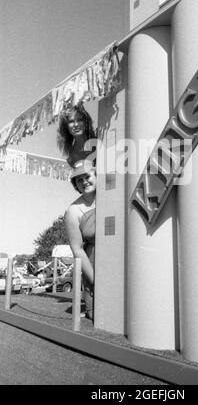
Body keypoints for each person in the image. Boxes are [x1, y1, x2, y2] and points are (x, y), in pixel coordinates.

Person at [65, 160, 96, 321]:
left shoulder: (113, 196)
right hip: (93, 264)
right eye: (79, 179)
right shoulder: (73, 210)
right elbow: (77, 249)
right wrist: (95, 280)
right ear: (75, 184)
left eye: (87, 176)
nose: (84, 182)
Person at [57, 103, 97, 168]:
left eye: (80, 120)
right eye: (71, 122)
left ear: (85, 122)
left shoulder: (99, 139)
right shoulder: (71, 157)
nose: (76, 124)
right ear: (66, 126)